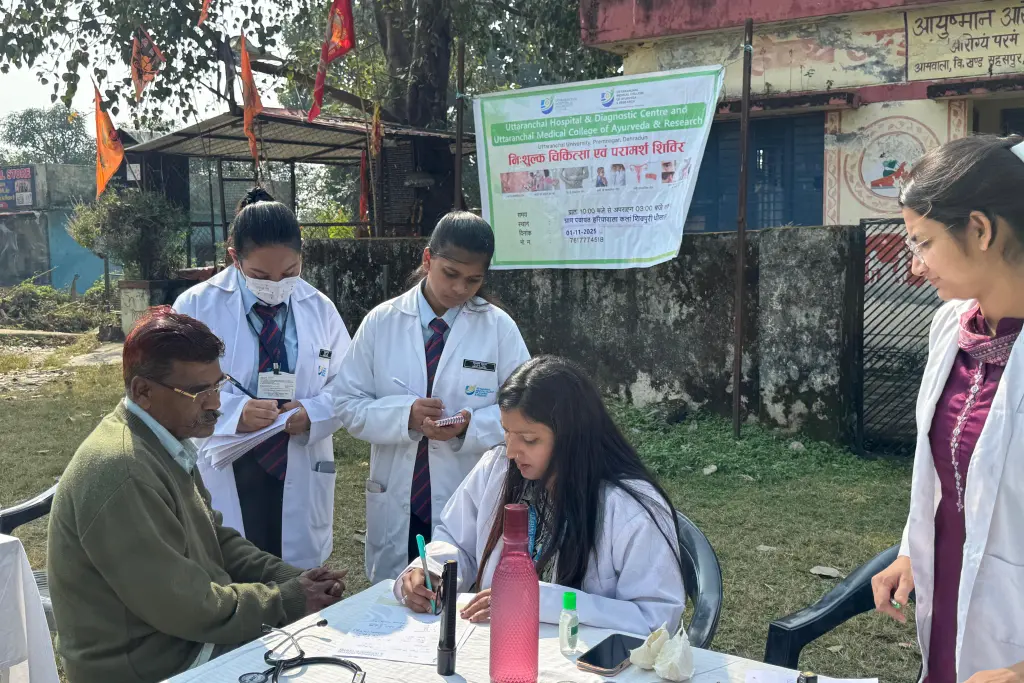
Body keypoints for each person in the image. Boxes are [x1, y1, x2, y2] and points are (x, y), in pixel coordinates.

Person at [47, 308, 346, 683]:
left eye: (218, 386)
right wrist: (287, 599)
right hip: (150, 665)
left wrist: (298, 579)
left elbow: (216, 540)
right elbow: (185, 606)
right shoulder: (124, 469)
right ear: (143, 391)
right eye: (199, 392)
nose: (215, 404)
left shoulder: (160, 442)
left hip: (181, 642)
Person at [871, 135, 1024, 683]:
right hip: (953, 592)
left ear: (980, 230)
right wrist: (913, 551)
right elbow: (948, 479)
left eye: (923, 242)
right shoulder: (951, 329)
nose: (915, 267)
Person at [396, 356, 686, 636]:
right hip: (495, 646)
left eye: (529, 439)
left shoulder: (628, 507)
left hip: (583, 660)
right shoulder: (498, 468)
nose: (511, 451)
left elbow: (657, 618)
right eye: (507, 432)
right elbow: (457, 540)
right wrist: (432, 570)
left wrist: (543, 601)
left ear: (572, 435)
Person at [332, 211, 531, 584]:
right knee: (396, 595)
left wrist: (469, 426)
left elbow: (524, 410)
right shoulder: (382, 322)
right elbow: (346, 403)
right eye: (450, 274)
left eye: (473, 280)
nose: (459, 289)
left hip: (464, 487)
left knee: (459, 596)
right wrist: (404, 415)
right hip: (397, 493)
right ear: (427, 259)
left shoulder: (498, 328)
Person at [173, 187, 351, 568]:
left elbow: (349, 384)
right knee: (234, 571)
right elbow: (174, 389)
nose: (276, 284)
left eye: (289, 272)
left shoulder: (320, 309)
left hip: (298, 457)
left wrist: (313, 412)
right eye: (260, 275)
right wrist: (234, 412)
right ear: (234, 259)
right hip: (227, 463)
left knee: (296, 581)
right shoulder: (196, 306)